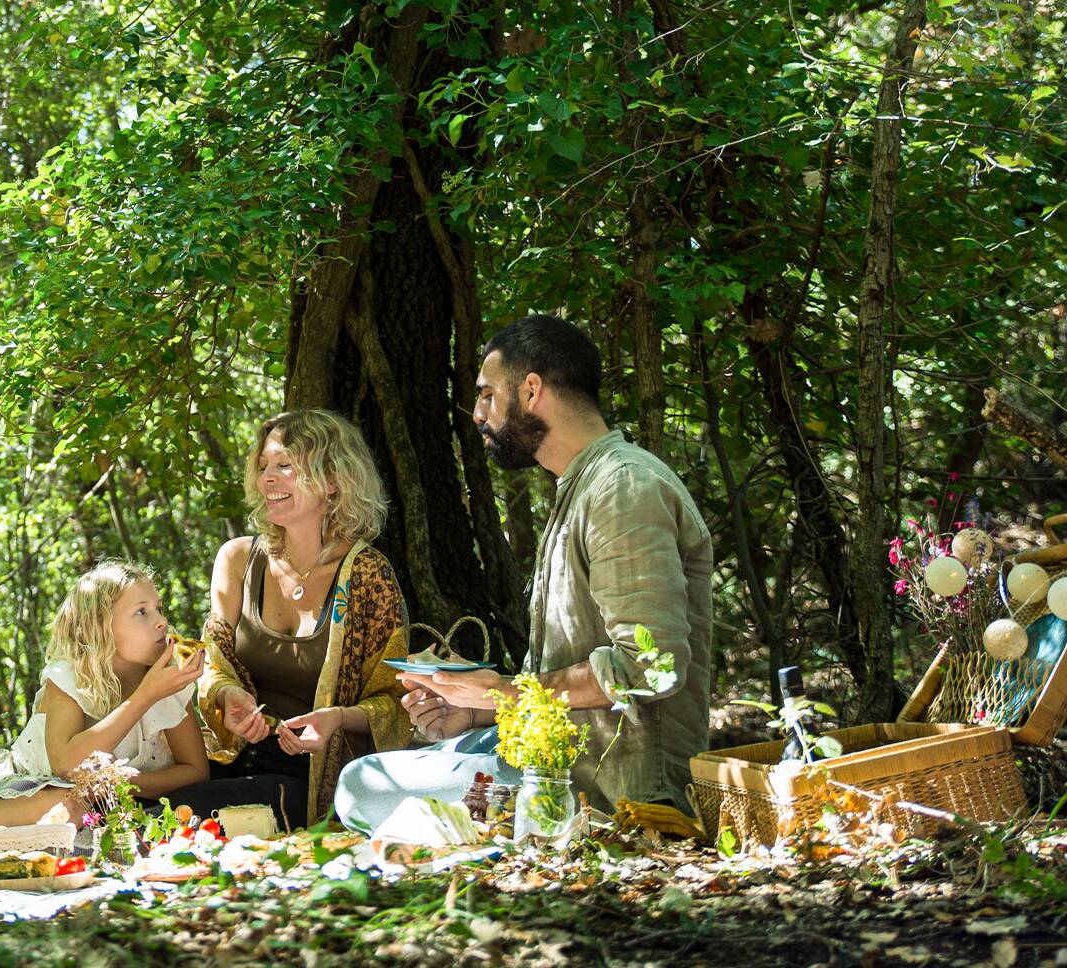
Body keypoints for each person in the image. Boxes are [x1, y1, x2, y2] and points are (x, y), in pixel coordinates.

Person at [334, 315, 713, 832]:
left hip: (614, 791)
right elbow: (558, 683)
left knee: (361, 785)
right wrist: (475, 713)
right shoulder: (581, 487)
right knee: (376, 776)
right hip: (551, 759)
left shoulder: (624, 489)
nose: (476, 414)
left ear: (531, 389)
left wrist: (502, 694)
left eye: (487, 394)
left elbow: (652, 666)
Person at [172, 409, 412, 828]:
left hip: (316, 782)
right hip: (229, 764)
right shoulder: (238, 560)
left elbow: (394, 703)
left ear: (334, 481)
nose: (267, 479)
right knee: (147, 812)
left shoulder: (369, 575)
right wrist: (228, 699)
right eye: (263, 466)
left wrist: (335, 719)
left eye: (285, 466)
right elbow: (213, 665)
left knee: (175, 819)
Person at [0, 559, 207, 824]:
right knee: (71, 805)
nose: (162, 621)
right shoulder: (69, 676)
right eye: (142, 612)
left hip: (106, 804)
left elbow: (196, 770)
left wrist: (126, 781)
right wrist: (146, 695)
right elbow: (68, 766)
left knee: (92, 811)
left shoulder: (170, 678)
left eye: (159, 609)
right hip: (25, 791)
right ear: (101, 627)